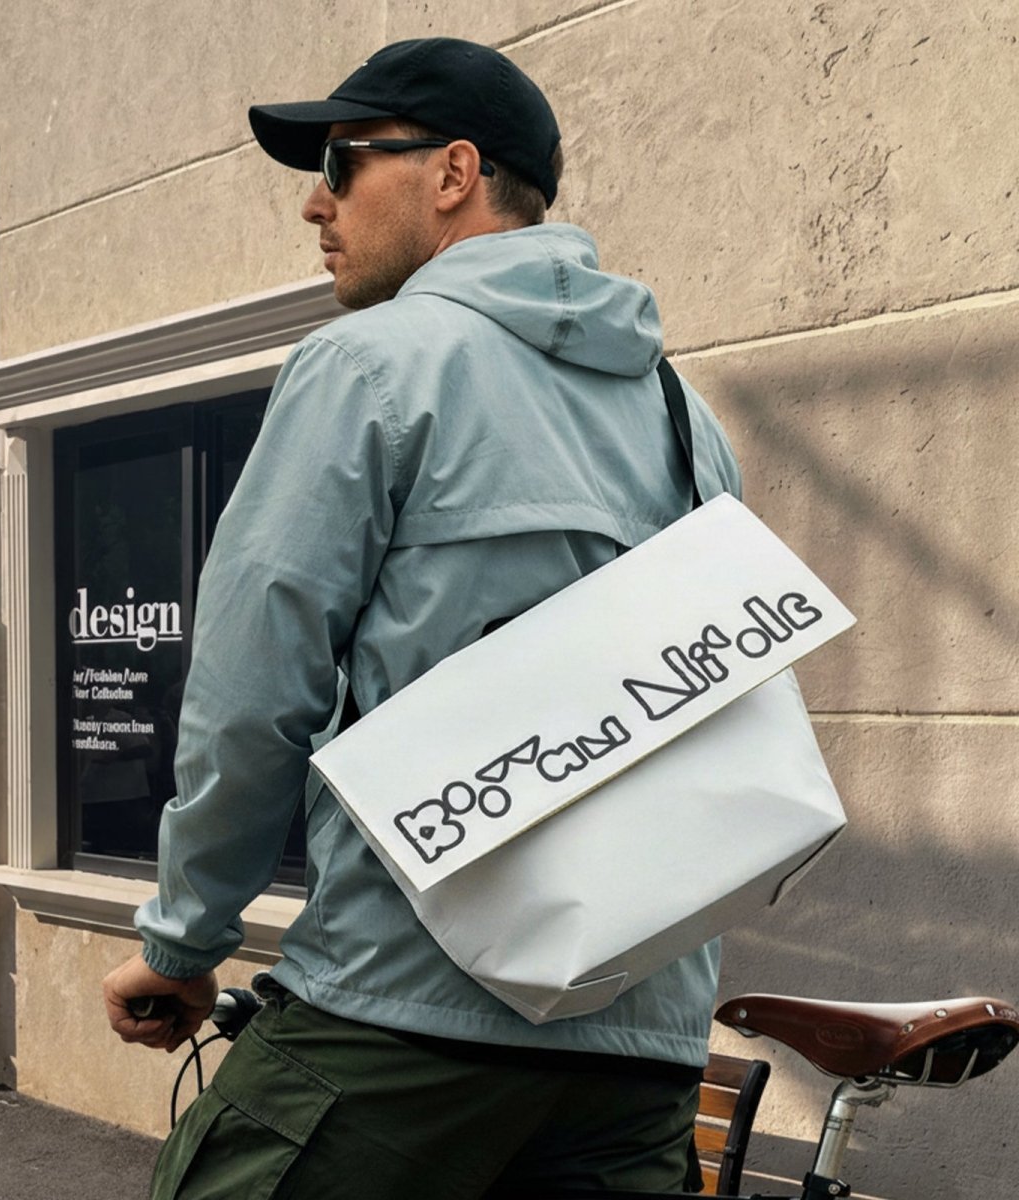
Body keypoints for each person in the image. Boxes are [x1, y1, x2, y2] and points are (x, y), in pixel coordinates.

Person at [103, 36, 742, 1199]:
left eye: (344, 162)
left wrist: (184, 944)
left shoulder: (370, 368)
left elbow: (256, 692)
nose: (315, 201)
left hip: (403, 1017)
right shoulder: (685, 417)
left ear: (453, 173)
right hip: (637, 1045)